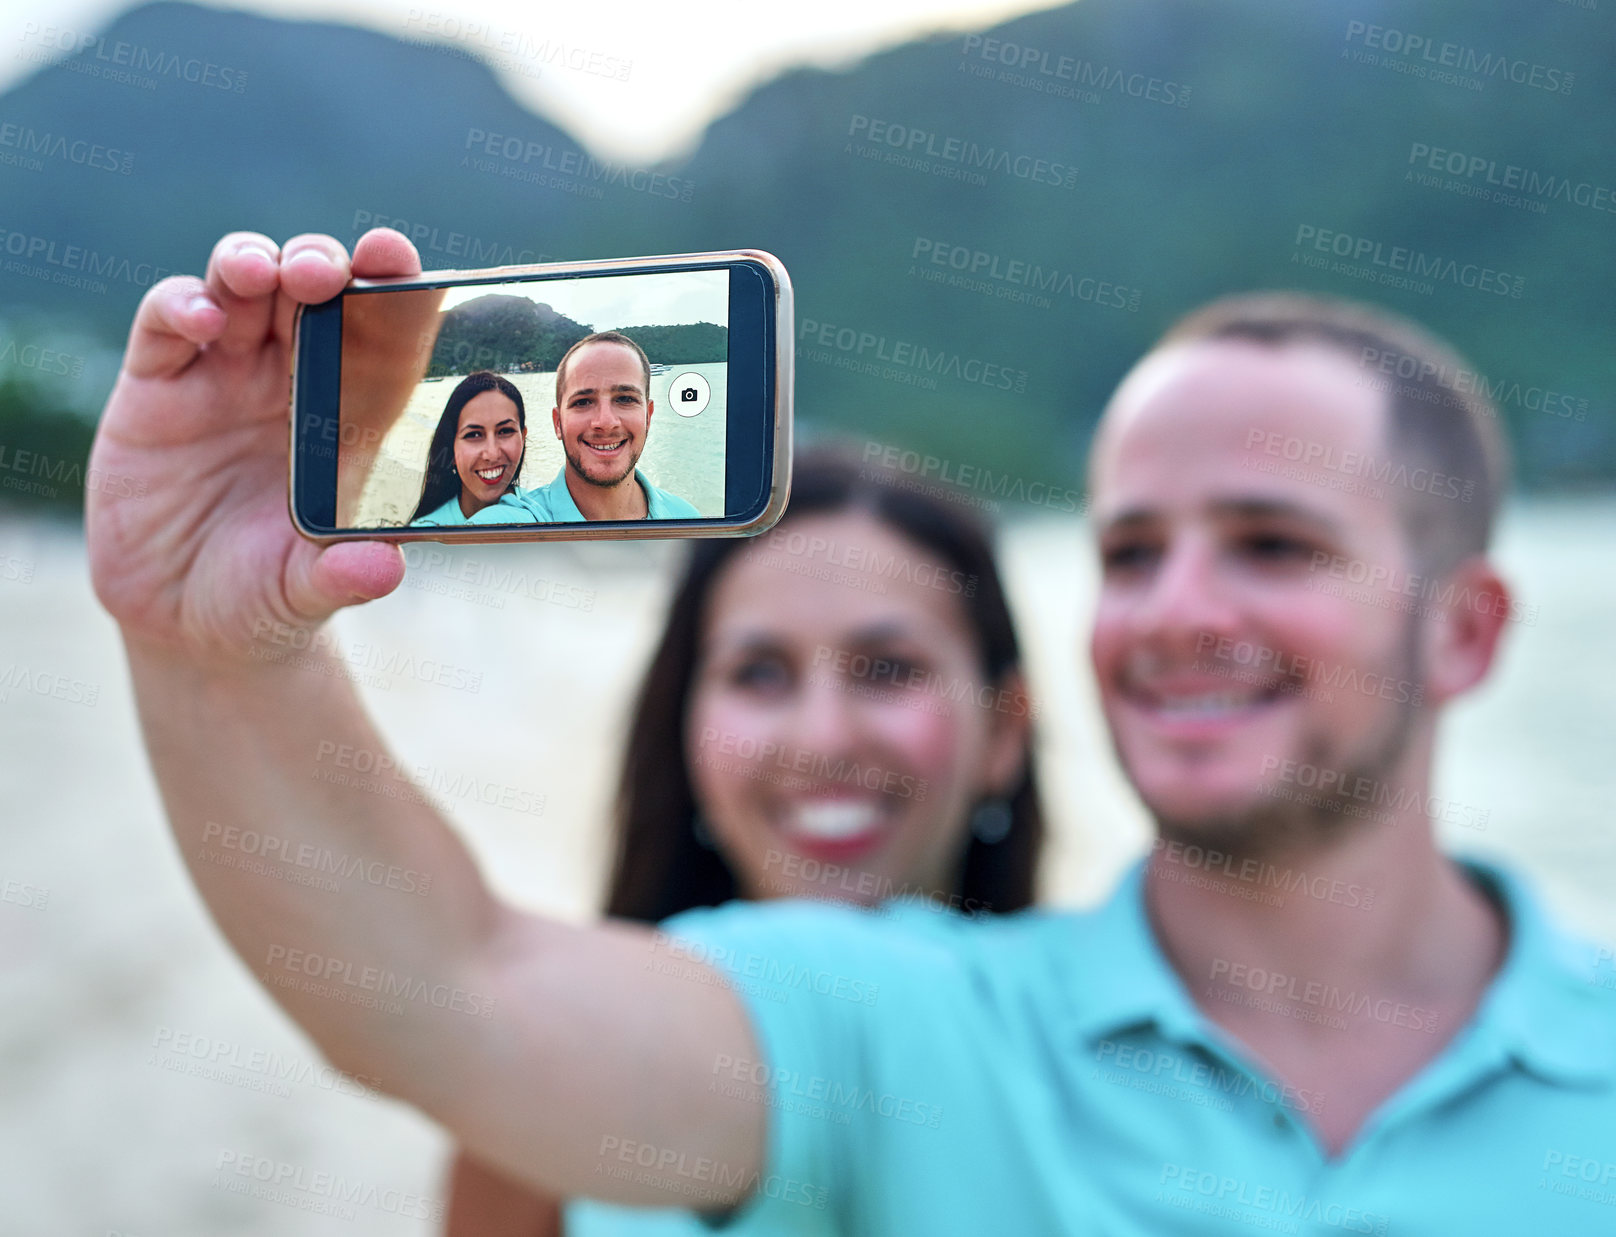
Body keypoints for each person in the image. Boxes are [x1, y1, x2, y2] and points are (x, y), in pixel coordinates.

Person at [87, 229, 1616, 1235]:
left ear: (1467, 627)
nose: (1175, 610)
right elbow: (453, 985)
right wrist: (216, 652)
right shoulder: (897, 1018)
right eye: (1133, 549)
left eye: (1272, 545)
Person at [445, 450, 1043, 1235]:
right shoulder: (537, 1100)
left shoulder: (1106, 1070)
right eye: (760, 673)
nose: (822, 738)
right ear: (684, 725)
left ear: (1003, 729)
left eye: (889, 670)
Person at [495, 331, 701, 522]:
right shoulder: (508, 526)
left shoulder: (690, 521)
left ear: (648, 416)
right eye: (583, 402)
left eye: (625, 399)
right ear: (558, 423)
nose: (605, 422)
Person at [410, 370, 536, 525]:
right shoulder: (424, 536)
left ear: (523, 438)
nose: (492, 454)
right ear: (451, 448)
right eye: (474, 435)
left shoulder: (543, 515)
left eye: (505, 431)